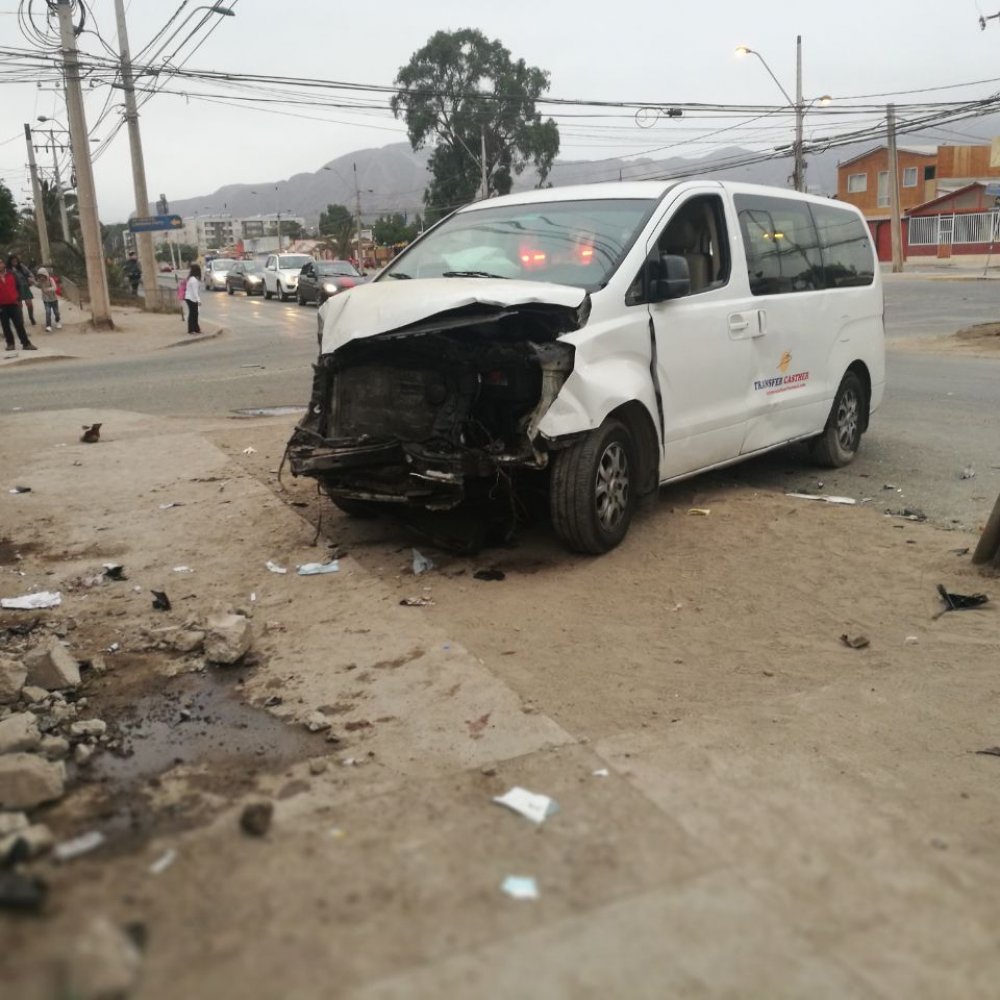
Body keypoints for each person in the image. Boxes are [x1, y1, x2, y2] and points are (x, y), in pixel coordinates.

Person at [0, 258, 36, 350]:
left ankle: (26, 344)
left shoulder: (12, 274)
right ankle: (10, 344)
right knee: (5, 326)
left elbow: (19, 286)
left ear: (3, 264)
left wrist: (19, 299)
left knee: (19, 324)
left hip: (14, 303)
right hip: (2, 306)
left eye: (0, 263)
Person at [7, 254, 36, 325]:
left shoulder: (21, 266)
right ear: (10, 262)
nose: (15, 262)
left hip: (25, 286)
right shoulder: (8, 269)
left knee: (29, 304)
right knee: (19, 306)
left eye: (16, 261)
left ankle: (31, 317)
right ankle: (21, 320)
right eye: (13, 261)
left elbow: (30, 273)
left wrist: (31, 278)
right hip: (16, 288)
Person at [35, 267, 61, 332]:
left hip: (54, 299)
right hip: (46, 300)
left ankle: (57, 321)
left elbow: (55, 287)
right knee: (48, 312)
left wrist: (48, 289)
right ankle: (48, 326)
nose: (41, 278)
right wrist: (32, 282)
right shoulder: (40, 282)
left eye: (42, 276)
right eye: (39, 276)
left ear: (45, 275)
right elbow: (38, 286)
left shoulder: (50, 279)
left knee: (56, 312)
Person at [184, 263, 202, 334]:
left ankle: (196, 329)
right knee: (193, 314)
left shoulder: (191, 278)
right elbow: (195, 292)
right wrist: (199, 300)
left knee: (194, 313)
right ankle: (191, 329)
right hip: (191, 299)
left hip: (189, 298)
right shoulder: (194, 280)